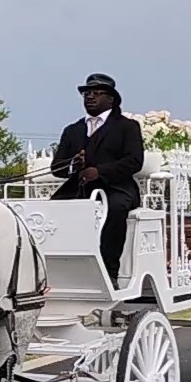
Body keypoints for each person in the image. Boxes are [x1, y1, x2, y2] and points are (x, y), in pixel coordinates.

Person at [49, 73, 144, 282]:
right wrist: (74, 164)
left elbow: (135, 161)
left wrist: (100, 171)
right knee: (53, 210)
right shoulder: (73, 130)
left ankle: (109, 273)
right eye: (86, 93)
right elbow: (57, 167)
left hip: (117, 187)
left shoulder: (127, 127)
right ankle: (59, 269)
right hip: (79, 188)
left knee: (114, 209)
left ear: (111, 99)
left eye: (96, 93)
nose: (90, 97)